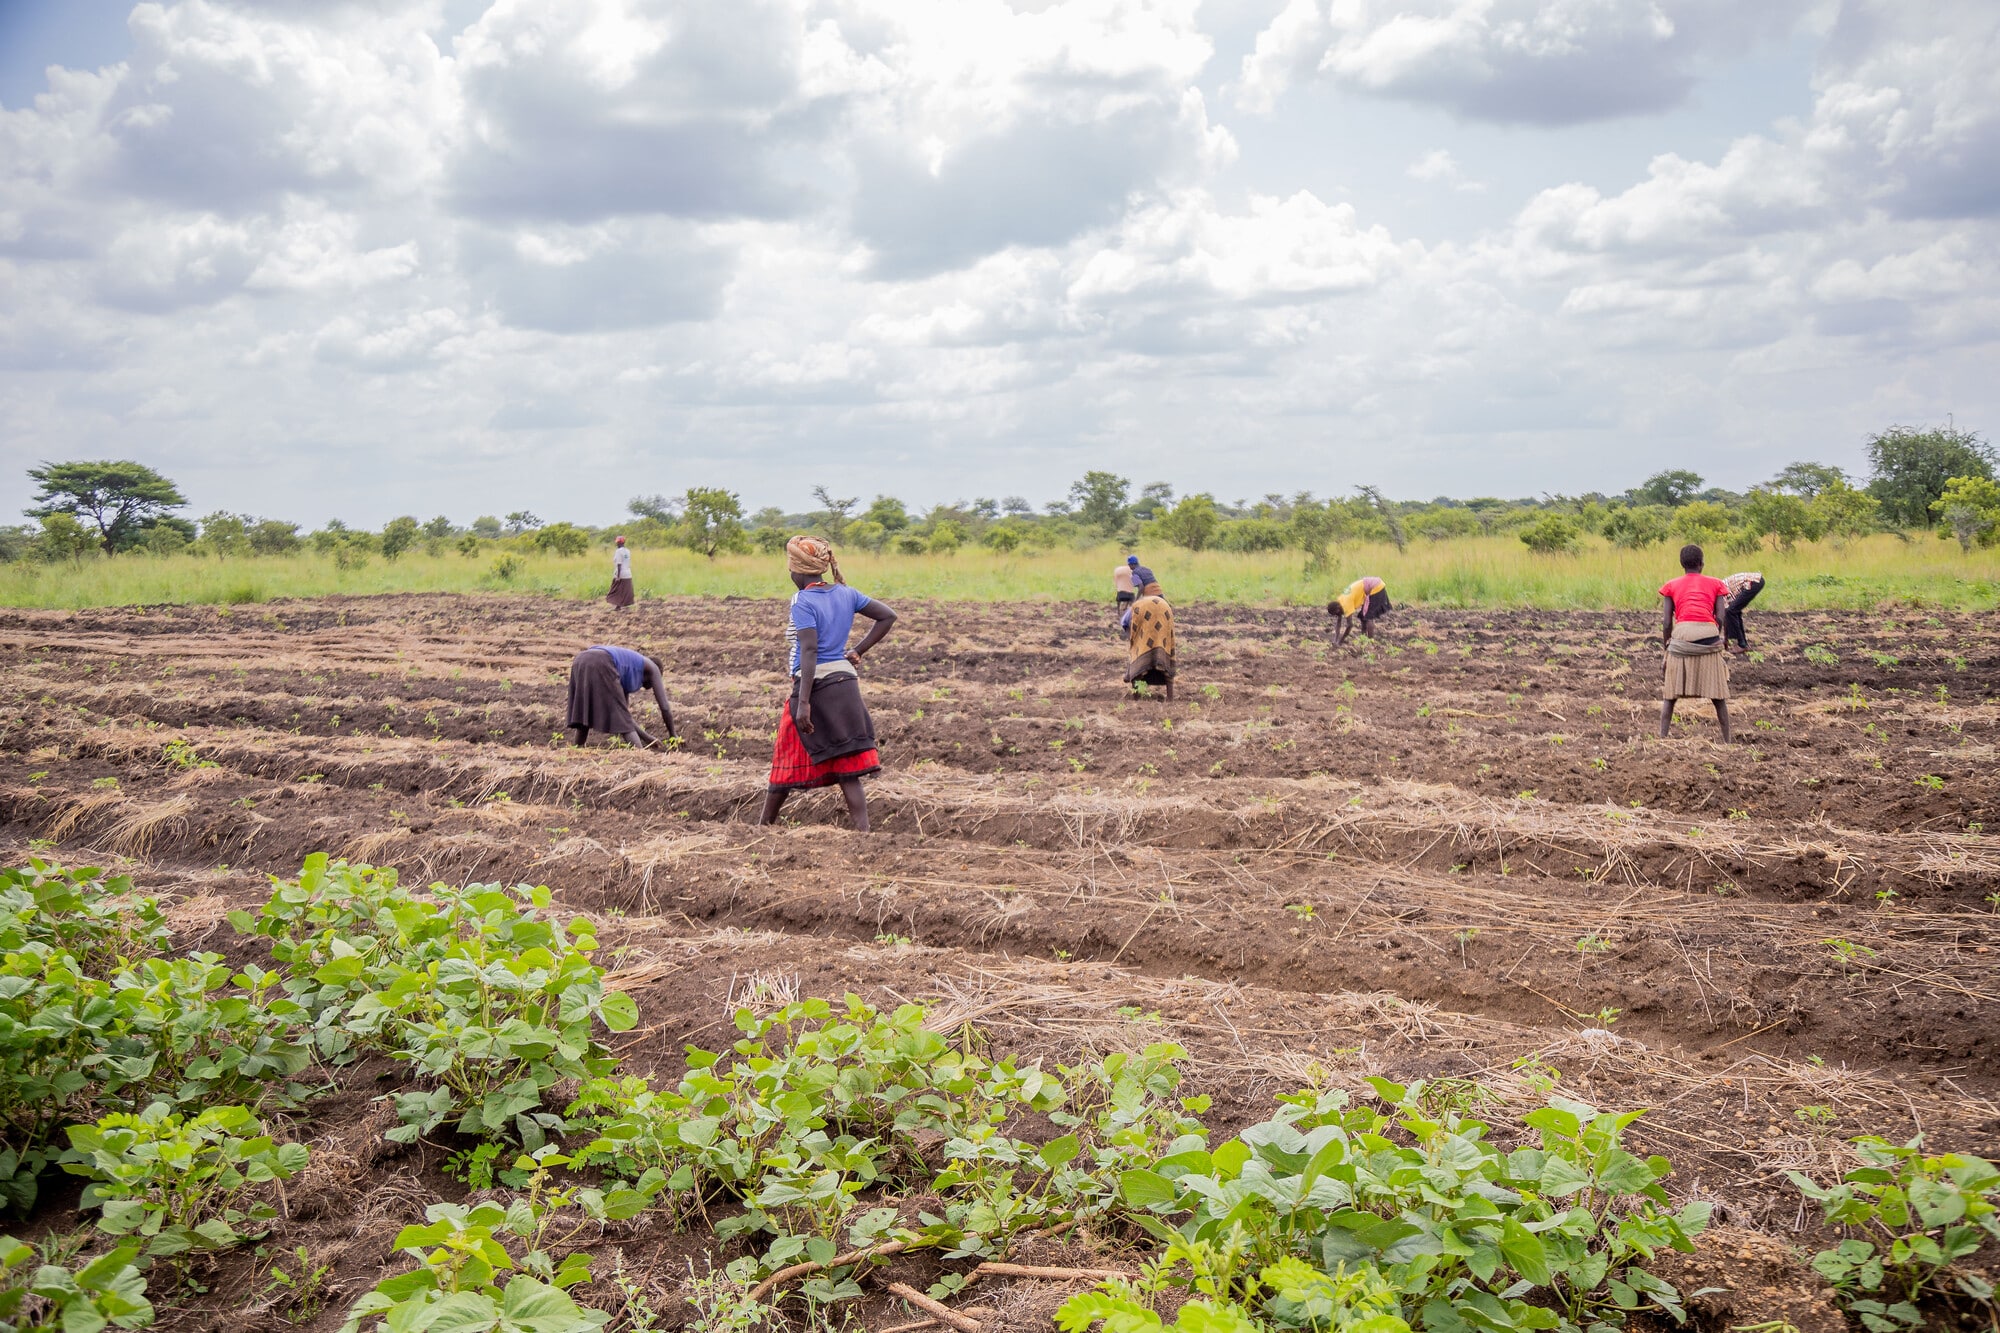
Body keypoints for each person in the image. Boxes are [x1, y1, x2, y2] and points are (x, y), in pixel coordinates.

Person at [760, 536, 898, 831]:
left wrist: (804, 703)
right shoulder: (846, 594)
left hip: (815, 687)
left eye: (790, 569)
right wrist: (857, 650)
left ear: (797, 571)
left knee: (785, 756)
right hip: (846, 684)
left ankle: (762, 827)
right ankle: (864, 834)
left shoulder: (803, 600)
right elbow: (887, 616)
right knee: (846, 763)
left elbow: (809, 650)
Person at [1658, 544, 1732, 741]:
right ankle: (1727, 741)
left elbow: (1666, 623)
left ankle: (1662, 739)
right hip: (1709, 634)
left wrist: (1668, 646)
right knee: (1719, 699)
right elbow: (1721, 617)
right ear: (1702, 564)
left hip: (1681, 636)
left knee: (1669, 698)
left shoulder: (1671, 585)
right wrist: (1717, 637)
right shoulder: (1716, 584)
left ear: (1682, 564)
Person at [566, 644, 674, 749]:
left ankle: (577, 748)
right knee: (624, 725)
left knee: (585, 709)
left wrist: (648, 738)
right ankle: (640, 754)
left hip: (580, 660)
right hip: (603, 661)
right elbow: (664, 707)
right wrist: (673, 735)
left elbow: (625, 714)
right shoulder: (653, 668)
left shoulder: (627, 669)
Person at [1124, 577, 1175, 701]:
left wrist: (1132, 643)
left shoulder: (1130, 612)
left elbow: (1127, 626)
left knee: (1138, 652)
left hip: (1144, 610)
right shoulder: (1140, 604)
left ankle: (1136, 695)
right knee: (1163, 646)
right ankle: (1170, 697)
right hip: (1165, 609)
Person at [1327, 576, 1390, 648]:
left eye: (1336, 613)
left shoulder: (1346, 603)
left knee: (1368, 617)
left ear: (1337, 609)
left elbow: (1349, 625)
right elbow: (1339, 622)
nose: (1338, 615)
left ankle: (1370, 644)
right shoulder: (1340, 600)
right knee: (1363, 617)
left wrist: (1340, 642)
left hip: (1375, 586)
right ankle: (1363, 641)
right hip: (1371, 586)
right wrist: (1335, 640)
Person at [1721, 570, 1765, 656]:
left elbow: (1726, 616)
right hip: (1755, 581)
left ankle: (1742, 645)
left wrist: (1725, 639)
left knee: (1731, 611)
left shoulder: (1718, 595)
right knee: (1734, 611)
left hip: (1754, 582)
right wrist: (1725, 639)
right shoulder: (1720, 592)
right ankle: (1743, 643)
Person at [606, 536, 634, 610]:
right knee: (623, 591)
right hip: (628, 573)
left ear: (618, 543)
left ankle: (618, 605)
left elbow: (619, 564)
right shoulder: (628, 551)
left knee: (614, 590)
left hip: (621, 573)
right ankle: (619, 606)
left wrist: (618, 576)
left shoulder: (618, 551)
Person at [1113, 555, 1137, 629]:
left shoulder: (1118, 570)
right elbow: (1136, 583)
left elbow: (1116, 583)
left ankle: (1119, 613)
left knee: (1119, 600)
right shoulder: (1133, 571)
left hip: (1120, 594)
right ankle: (1133, 614)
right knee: (1133, 603)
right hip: (1130, 595)